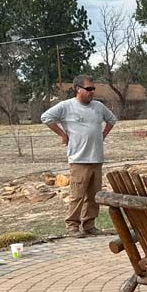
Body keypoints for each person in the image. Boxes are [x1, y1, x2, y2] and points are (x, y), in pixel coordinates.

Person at [41, 74, 118, 237]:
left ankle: (89, 225)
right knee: (77, 195)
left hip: (96, 159)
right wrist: (62, 134)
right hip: (79, 159)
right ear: (78, 89)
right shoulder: (66, 106)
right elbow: (46, 118)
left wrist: (103, 135)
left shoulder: (98, 106)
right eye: (89, 89)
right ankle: (72, 227)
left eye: (93, 89)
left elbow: (112, 119)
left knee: (93, 195)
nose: (92, 92)